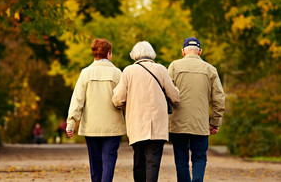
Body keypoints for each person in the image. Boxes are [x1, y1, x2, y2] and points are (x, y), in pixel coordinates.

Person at [112, 41, 180, 182]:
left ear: (134, 54)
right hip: (157, 124)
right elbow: (175, 97)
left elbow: (118, 99)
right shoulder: (161, 69)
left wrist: (125, 104)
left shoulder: (128, 71)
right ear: (151, 54)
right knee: (153, 162)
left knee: (139, 162)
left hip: (137, 124)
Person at [66, 38, 126, 182]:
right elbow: (124, 98)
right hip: (113, 126)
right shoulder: (118, 73)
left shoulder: (85, 73)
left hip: (91, 127)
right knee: (109, 160)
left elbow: (77, 100)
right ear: (109, 54)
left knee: (95, 163)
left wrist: (71, 123)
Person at [168, 37, 225, 182]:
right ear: (200, 52)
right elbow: (219, 98)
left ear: (183, 51)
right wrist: (215, 122)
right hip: (200, 124)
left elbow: (165, 94)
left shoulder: (174, 66)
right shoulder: (210, 69)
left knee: (181, 161)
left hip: (178, 123)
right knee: (199, 158)